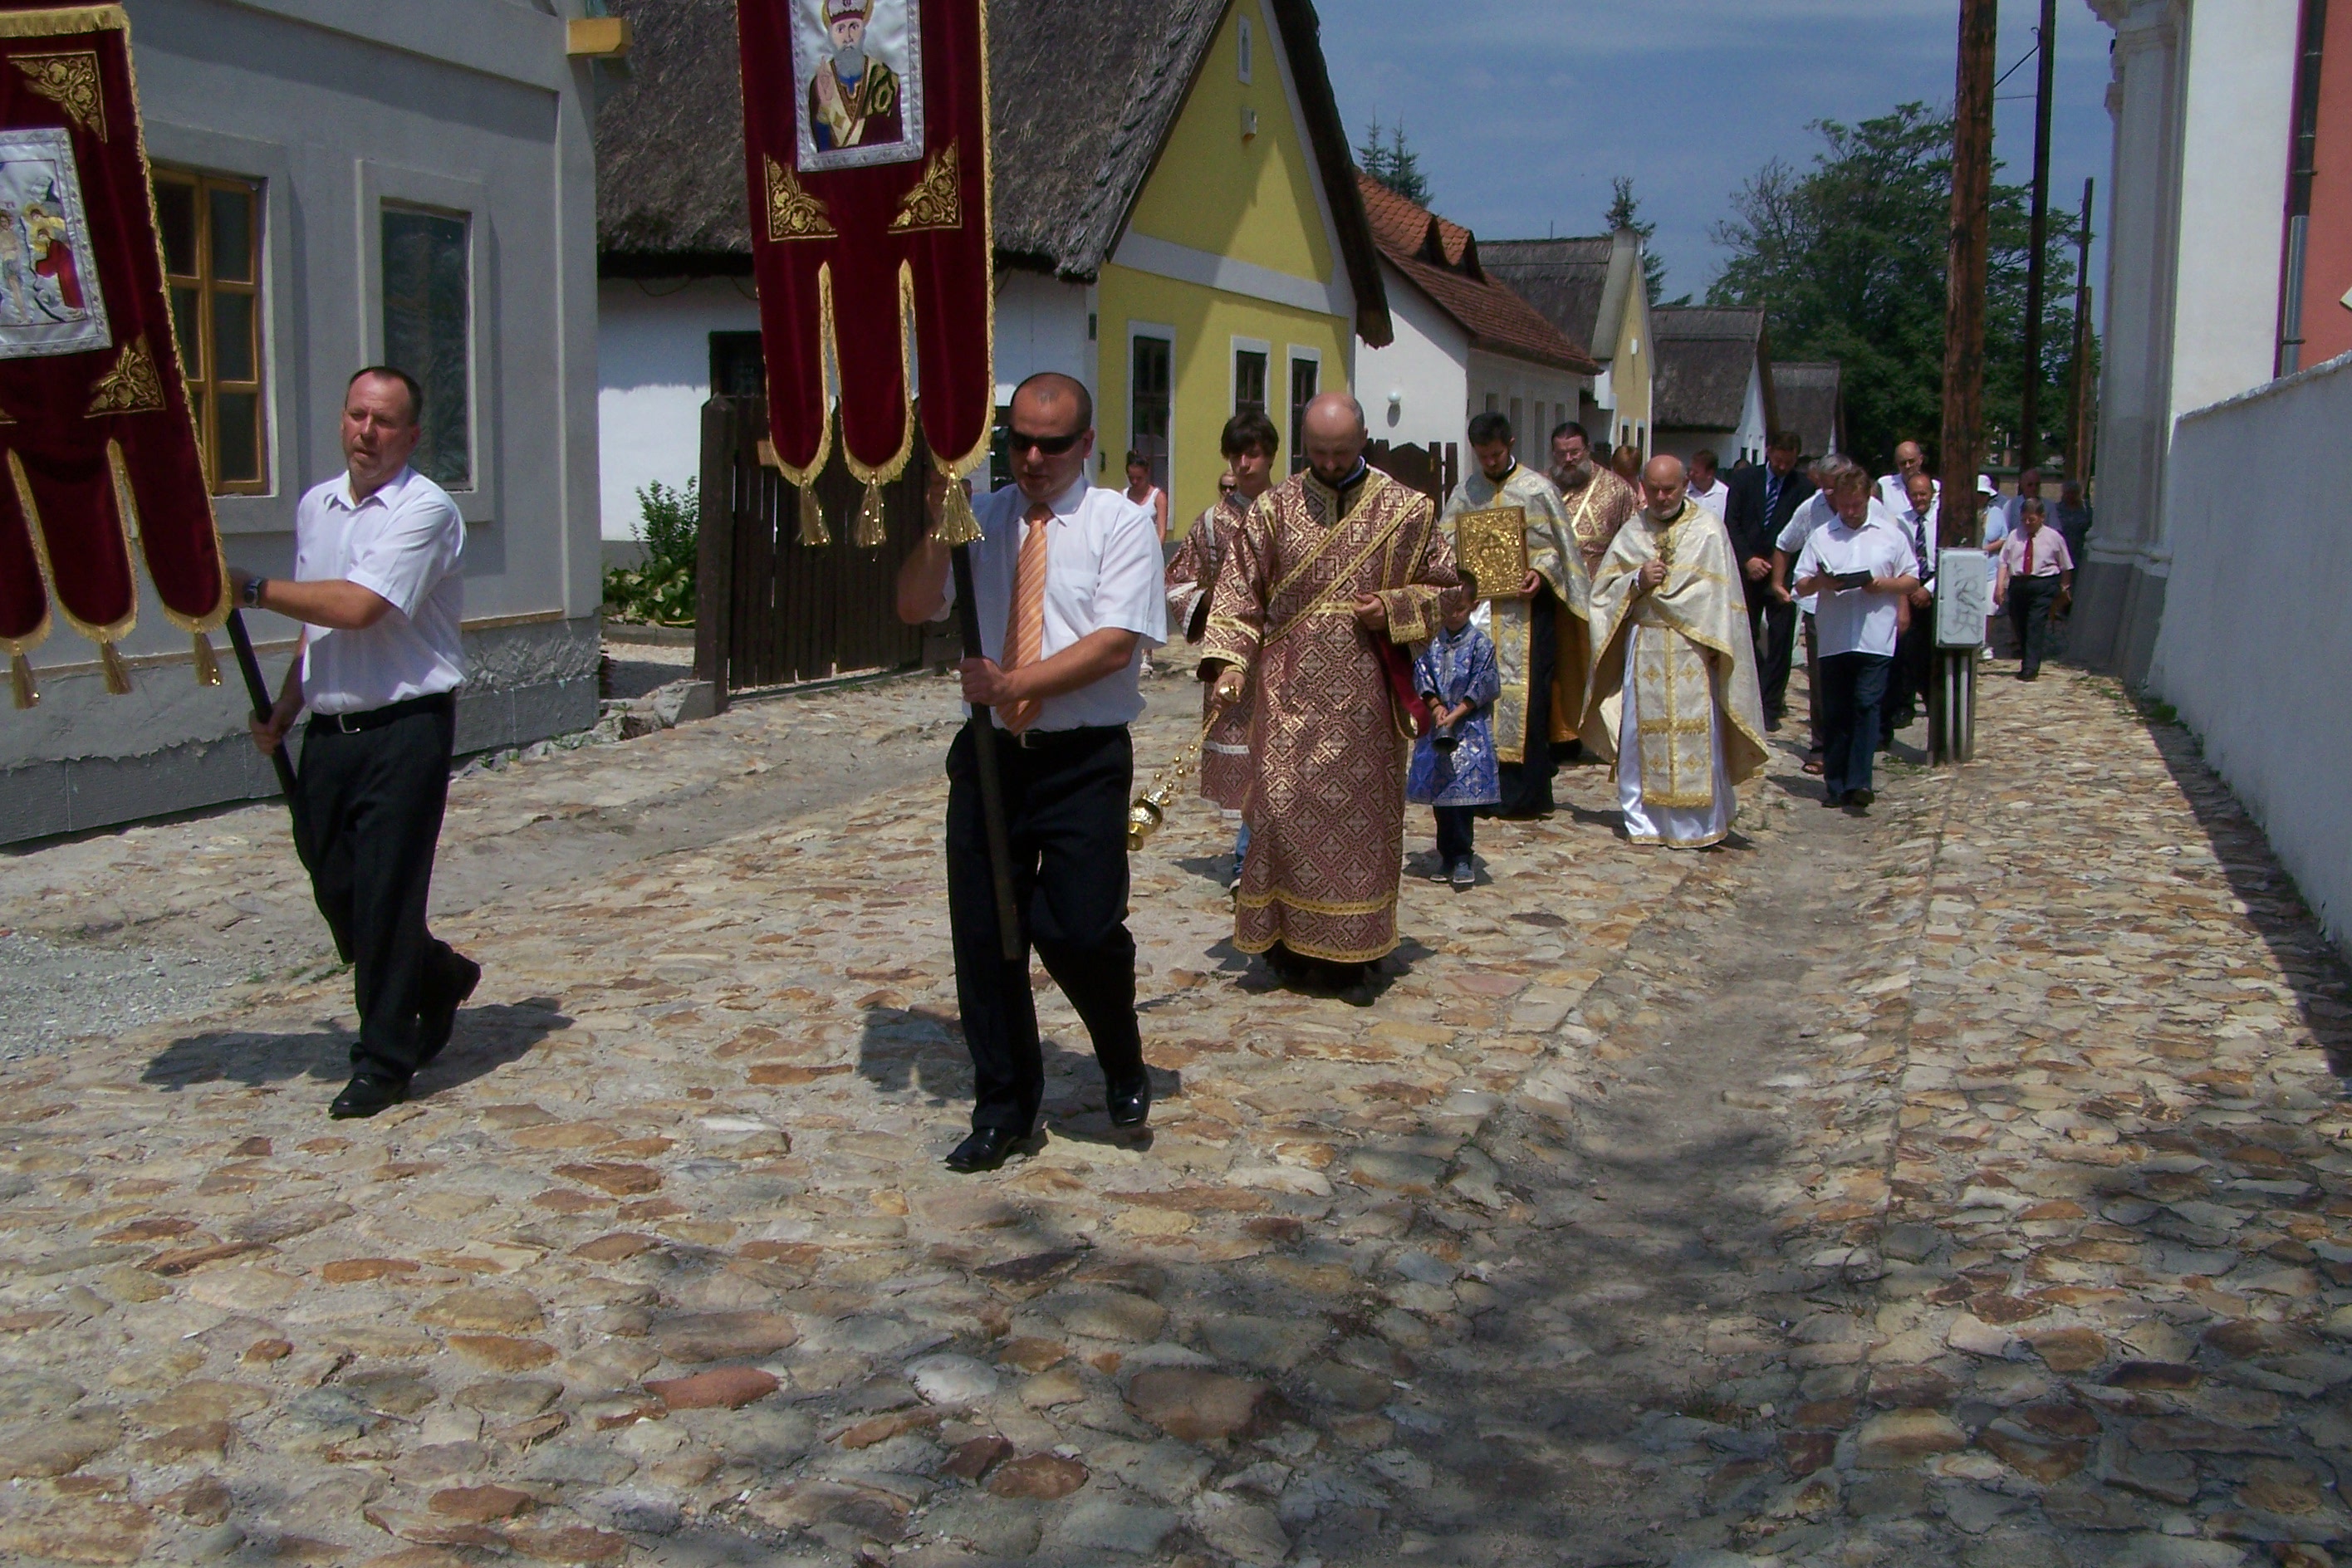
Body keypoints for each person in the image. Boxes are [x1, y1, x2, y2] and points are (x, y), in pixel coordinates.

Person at [892, 372, 1164, 1174]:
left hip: (1082, 758)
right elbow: (915, 606)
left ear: (1085, 443)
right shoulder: (982, 518)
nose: (1035, 457)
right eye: (1021, 441)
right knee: (986, 937)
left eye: (1052, 443)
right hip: (990, 760)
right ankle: (1004, 1105)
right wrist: (938, 527)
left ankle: (1121, 1055)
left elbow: (1116, 642)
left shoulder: (1119, 523)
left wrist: (1018, 685)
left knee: (1076, 928)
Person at [231, 368, 478, 1120]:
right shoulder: (317, 507)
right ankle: (434, 975)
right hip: (330, 730)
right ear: (343, 420)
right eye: (356, 415)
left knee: (384, 894)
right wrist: (285, 703)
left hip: (405, 728)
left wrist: (247, 589)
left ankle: (384, 1058)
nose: (367, 432)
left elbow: (361, 606)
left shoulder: (425, 511)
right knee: (335, 885)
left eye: (384, 422)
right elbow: (318, 623)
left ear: (410, 436)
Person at [1199, 392, 1455, 992]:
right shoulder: (1273, 510)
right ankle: (1286, 943)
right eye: (1319, 452)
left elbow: (1446, 591)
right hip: (1286, 695)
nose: (1332, 462)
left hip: (1366, 702)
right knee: (1281, 813)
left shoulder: (1406, 510)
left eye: (1342, 452)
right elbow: (1239, 596)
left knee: (1360, 825)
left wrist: (1393, 607)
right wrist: (1232, 664)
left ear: (1363, 439)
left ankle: (1354, 950)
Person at [1580, 455, 1768, 850]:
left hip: (1693, 650)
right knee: (1639, 734)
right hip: (1645, 642)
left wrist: (1720, 646)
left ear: (1685, 485)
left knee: (1698, 735)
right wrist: (1635, 580)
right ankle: (1646, 821)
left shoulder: (1708, 530)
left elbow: (1722, 598)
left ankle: (1698, 824)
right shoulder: (1633, 531)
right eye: (1654, 490)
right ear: (1643, 489)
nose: (1662, 497)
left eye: (1670, 489)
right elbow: (1602, 593)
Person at [1438, 412, 1588, 819]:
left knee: (1529, 698)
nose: (1489, 462)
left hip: (1527, 612)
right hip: (1482, 617)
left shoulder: (1538, 490)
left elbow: (1562, 550)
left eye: (1496, 454)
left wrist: (1540, 572)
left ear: (1512, 444)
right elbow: (1444, 548)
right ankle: (1480, 790)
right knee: (1477, 699)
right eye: (1482, 456)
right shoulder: (1466, 493)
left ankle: (1525, 795)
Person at [1167, 413, 1277, 890]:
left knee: (1283, 756)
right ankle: (1245, 859)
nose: (1244, 463)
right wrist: (1213, 602)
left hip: (1285, 654)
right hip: (1234, 659)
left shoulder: (1290, 508)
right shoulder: (1213, 524)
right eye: (1236, 454)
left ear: (1271, 454)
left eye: (1252, 453)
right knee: (1248, 760)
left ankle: (1266, 857)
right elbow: (1178, 583)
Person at [1792, 465, 1920, 810]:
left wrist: (1884, 585)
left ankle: (1860, 781)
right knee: (1836, 711)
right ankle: (1836, 784)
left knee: (1867, 704)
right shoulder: (1822, 537)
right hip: (1835, 635)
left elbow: (1912, 578)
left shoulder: (1890, 535)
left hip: (1875, 634)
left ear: (1868, 500)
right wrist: (1822, 582)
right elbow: (1800, 582)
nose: (1850, 512)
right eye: (1845, 505)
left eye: (1857, 505)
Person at [1408, 586, 1500, 890]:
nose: (1454, 614)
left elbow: (1485, 682)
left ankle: (1462, 854)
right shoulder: (1431, 643)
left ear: (1472, 606)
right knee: (1442, 796)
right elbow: (1422, 674)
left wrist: (1457, 712)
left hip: (1467, 728)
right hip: (1439, 726)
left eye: (1460, 608)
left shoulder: (1481, 645)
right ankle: (1445, 854)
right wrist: (1435, 706)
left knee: (1463, 797)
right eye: (1449, 608)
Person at [1724, 429, 1815, 732]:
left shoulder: (1804, 488)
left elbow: (1802, 532)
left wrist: (1783, 570)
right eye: (1778, 461)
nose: (1782, 467)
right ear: (1769, 452)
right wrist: (1748, 559)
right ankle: (1749, 695)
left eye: (1788, 462)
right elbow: (1732, 524)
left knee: (1780, 641)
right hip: (1748, 569)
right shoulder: (1744, 481)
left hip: (1782, 574)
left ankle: (1771, 704)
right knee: (1745, 635)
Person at [1769, 458, 1843, 774]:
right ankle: (1822, 746)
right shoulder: (1811, 508)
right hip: (1818, 607)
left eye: (1832, 484)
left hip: (1861, 607)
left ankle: (1853, 746)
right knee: (1821, 679)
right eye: (1822, 484)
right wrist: (1777, 582)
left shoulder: (1870, 509)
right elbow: (1785, 544)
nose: (1827, 491)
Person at [1995, 496, 2074, 680]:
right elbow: (2004, 561)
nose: (2027, 524)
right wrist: (2000, 586)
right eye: (2024, 520)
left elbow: (2066, 565)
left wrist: (2064, 587)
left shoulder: (2054, 538)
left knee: (2035, 624)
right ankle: (2026, 654)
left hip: (2043, 584)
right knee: (2019, 623)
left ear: (2042, 517)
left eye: (2032, 520)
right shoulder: (2015, 535)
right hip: (2019, 584)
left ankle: (2030, 667)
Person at [808, 0, 904, 153]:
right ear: (831, 38)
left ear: (864, 33)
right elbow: (821, 149)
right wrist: (824, 108)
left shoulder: (885, 79)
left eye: (854, 27)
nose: (848, 38)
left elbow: (895, 142)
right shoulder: (821, 82)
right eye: (840, 29)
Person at [1887, 469, 1941, 736]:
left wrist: (1928, 589)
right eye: (1914, 494)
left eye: (1923, 494)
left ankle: (1934, 700)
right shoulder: (1900, 523)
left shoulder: (1942, 521)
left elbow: (1948, 559)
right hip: (1908, 587)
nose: (1919, 499)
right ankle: (1903, 704)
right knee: (1905, 651)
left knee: (1933, 651)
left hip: (1935, 588)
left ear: (1931, 495)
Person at [1550, 420, 1639, 578]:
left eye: (1574, 452)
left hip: (1598, 589)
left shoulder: (1617, 489)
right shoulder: (1539, 488)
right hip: (1550, 586)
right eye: (1562, 454)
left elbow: (1633, 543)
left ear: (1587, 449)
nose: (1569, 459)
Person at [1877, 439, 1938, 515]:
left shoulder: (1936, 486)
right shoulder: (1884, 485)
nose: (1907, 466)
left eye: (1911, 461)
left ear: (1920, 459)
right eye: (1903, 463)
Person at [1123, 449, 1170, 545]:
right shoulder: (1122, 496)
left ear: (1147, 473)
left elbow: (1161, 532)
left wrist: (1156, 552)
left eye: (1139, 478)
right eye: (1131, 478)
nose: (1135, 482)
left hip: (1148, 548)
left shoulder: (1158, 497)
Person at [2054, 479, 2093, 563]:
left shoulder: (2086, 509)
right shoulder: (2056, 509)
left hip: (2080, 550)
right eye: (2068, 493)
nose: (2070, 496)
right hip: (2061, 549)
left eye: (2074, 493)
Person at [1687, 448, 1729, 518]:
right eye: (1690, 470)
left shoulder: (1725, 495)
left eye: (1696, 472)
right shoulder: (1683, 492)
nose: (1691, 474)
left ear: (1710, 474)